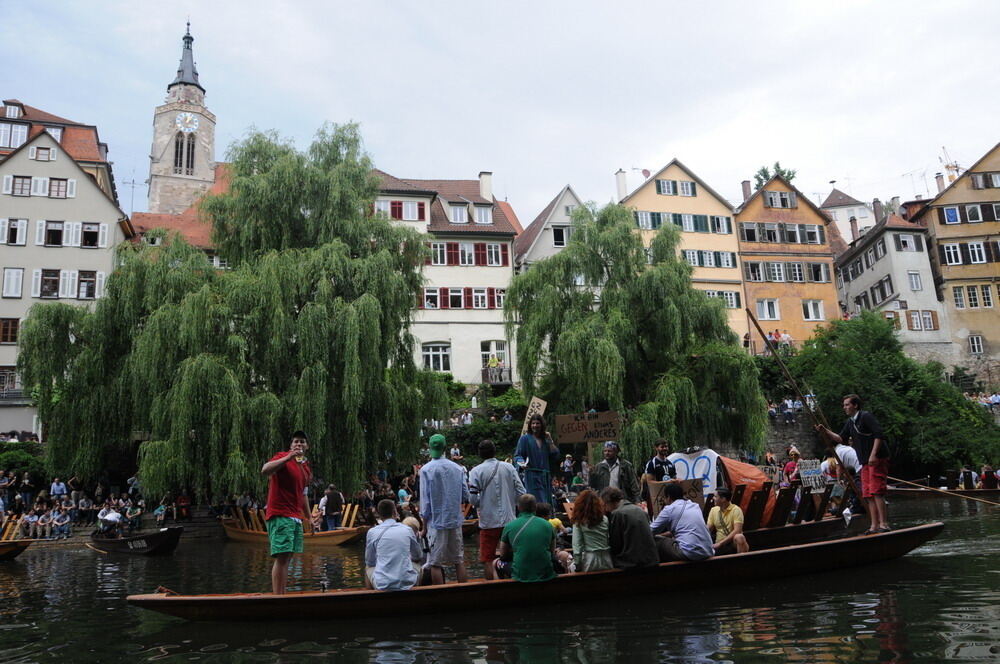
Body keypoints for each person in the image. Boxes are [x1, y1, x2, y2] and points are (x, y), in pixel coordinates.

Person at [815, 394, 890, 534]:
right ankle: (874, 526)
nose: (844, 407)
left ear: (855, 405)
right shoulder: (850, 422)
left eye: (847, 405)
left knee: (877, 491)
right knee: (867, 493)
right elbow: (840, 438)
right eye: (844, 405)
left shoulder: (865, 416)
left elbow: (879, 434)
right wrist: (825, 431)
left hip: (877, 458)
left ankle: (883, 524)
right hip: (864, 462)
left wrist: (873, 454)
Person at [260, 430, 312, 594]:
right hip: (281, 513)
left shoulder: (305, 468)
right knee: (282, 556)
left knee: (288, 556)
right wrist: (288, 457)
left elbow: (303, 494)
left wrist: (309, 518)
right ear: (291, 445)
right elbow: (265, 470)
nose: (299, 444)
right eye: (296, 441)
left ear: (307, 446)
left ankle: (282, 594)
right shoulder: (282, 457)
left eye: (302, 441)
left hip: (295, 516)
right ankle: (278, 597)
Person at [468, 439, 525, 580]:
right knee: (513, 555)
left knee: (487, 558)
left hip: (488, 522)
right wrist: (511, 502)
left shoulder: (476, 471)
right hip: (510, 521)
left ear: (480, 454)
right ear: (495, 451)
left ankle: (491, 586)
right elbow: (521, 492)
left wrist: (483, 502)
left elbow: (473, 500)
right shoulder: (509, 467)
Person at [421, 433, 470, 585]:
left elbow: (425, 503)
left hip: (436, 522)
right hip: (455, 520)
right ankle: (465, 593)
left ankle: (440, 594)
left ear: (430, 449)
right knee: (459, 560)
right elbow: (465, 495)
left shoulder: (426, 470)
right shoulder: (457, 468)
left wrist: (424, 527)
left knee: (435, 563)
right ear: (445, 449)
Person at [364, 499, 423, 591]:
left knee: (368, 568)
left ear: (379, 515)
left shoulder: (372, 532)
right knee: (418, 565)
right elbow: (418, 556)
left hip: (382, 584)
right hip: (407, 582)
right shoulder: (407, 530)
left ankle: (370, 597)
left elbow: (370, 562)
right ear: (395, 512)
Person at [498, 493, 556, 583]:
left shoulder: (509, 526)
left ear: (518, 507)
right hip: (545, 574)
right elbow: (552, 551)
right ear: (535, 507)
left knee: (496, 563)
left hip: (520, 575)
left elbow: (502, 554)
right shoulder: (548, 525)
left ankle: (500, 590)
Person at [649, 482, 714, 562]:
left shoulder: (669, 509)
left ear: (668, 497)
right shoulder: (695, 506)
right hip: (708, 551)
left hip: (690, 552)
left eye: (664, 498)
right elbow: (685, 529)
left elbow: (649, 531)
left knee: (656, 541)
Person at [600, 487, 658, 569]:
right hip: (651, 559)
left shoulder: (617, 514)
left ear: (609, 502)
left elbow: (615, 544)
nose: (605, 509)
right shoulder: (640, 510)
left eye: (604, 505)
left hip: (633, 562)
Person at [515, 414, 560, 507]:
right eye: (533, 423)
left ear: (542, 425)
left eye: (537, 423)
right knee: (536, 501)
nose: (535, 425)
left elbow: (555, 455)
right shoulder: (525, 439)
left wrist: (550, 440)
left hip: (545, 476)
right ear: (530, 425)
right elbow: (518, 455)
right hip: (532, 475)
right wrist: (522, 463)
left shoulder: (546, 440)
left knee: (547, 501)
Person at [570, 489, 613, 572]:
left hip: (590, 559)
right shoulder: (604, 519)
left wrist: (577, 563)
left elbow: (577, 545)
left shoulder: (579, 521)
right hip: (607, 557)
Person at [706, 488, 748, 554]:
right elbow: (708, 529)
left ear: (723, 499)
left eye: (715, 496)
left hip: (732, 543)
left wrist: (720, 543)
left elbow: (737, 530)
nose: (713, 498)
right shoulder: (713, 510)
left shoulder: (736, 510)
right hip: (719, 544)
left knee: (739, 537)